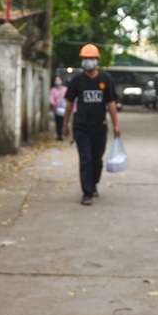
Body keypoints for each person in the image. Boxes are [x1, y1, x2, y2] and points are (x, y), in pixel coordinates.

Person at [62, 43, 121, 205]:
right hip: (81, 127)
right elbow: (69, 103)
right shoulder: (77, 80)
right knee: (86, 159)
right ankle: (87, 193)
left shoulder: (106, 79)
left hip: (99, 127)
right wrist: (66, 124)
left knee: (97, 160)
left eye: (91, 58)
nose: (89, 61)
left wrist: (116, 125)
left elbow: (111, 104)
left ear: (97, 60)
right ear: (82, 60)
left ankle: (93, 184)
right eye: (86, 58)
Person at [49, 76, 68, 140]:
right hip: (56, 109)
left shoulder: (65, 89)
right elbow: (51, 98)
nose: (58, 82)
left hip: (65, 109)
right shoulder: (53, 90)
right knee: (58, 122)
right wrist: (53, 103)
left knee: (64, 121)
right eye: (56, 80)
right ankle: (59, 134)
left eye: (59, 80)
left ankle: (64, 133)